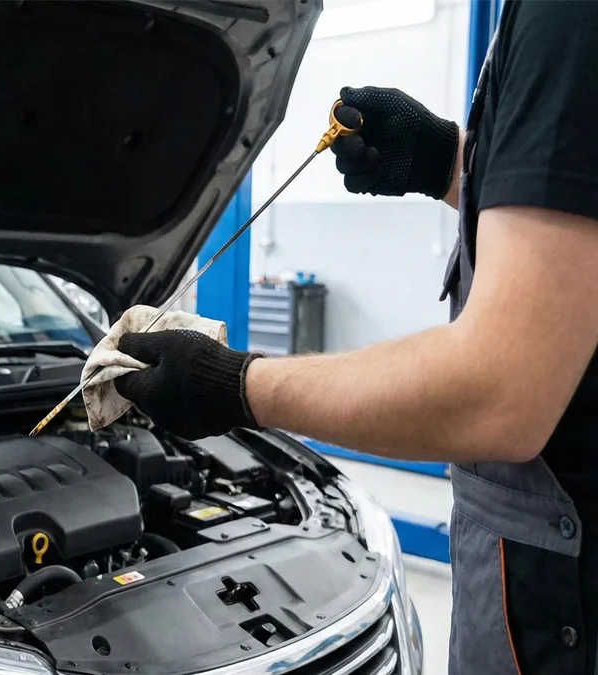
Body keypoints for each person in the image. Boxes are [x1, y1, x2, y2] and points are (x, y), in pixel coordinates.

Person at [109, 3, 598, 675]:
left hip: (562, 605)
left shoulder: (566, 20)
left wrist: (232, 385)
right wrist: (447, 164)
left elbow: (500, 391)